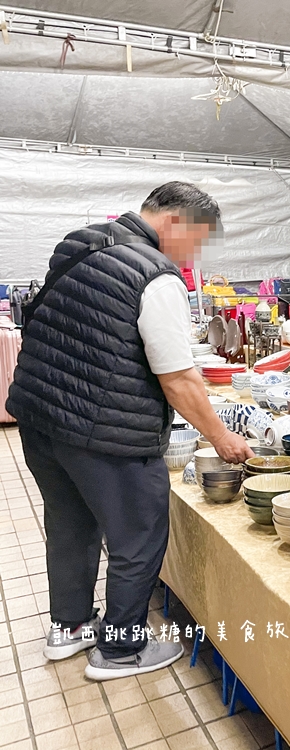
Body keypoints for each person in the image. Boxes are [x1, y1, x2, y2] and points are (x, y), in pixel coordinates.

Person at [6, 182, 255, 681]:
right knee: (138, 535)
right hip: (106, 430)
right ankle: (120, 650)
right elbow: (179, 379)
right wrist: (222, 438)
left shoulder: (81, 243)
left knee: (71, 524)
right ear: (177, 223)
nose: (195, 255)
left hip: (41, 417)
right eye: (198, 241)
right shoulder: (156, 276)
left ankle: (70, 627)